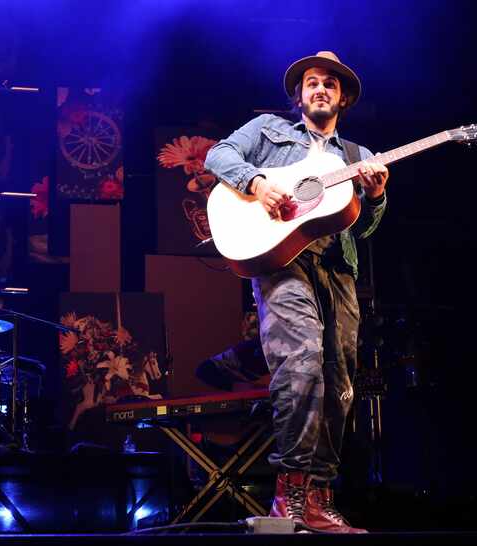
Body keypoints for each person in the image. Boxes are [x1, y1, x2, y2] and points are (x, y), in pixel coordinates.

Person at [204, 51, 389, 534]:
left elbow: (366, 229)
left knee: (342, 383)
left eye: (330, 83)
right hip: (284, 263)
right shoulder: (268, 128)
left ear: (343, 97)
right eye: (311, 82)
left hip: (337, 270)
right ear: (300, 94)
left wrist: (375, 197)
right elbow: (217, 155)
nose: (320, 88)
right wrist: (258, 182)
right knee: (302, 363)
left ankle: (320, 501)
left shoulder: (360, 157)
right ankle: (290, 495)